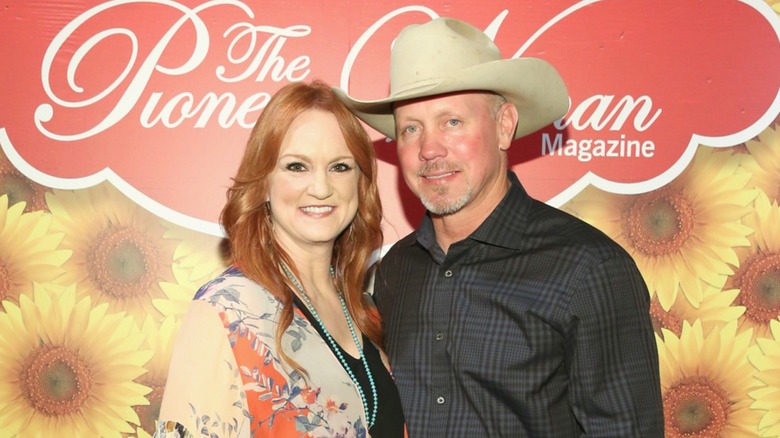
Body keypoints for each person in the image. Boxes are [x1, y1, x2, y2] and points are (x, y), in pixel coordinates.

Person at [334, 17, 665, 437]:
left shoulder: (589, 269)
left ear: (504, 125)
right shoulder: (398, 270)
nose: (429, 149)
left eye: (451, 121)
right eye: (411, 129)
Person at [155, 80, 405, 437]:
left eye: (340, 167)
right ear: (264, 182)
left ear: (361, 183)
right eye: (296, 167)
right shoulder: (227, 313)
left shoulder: (365, 310)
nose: (321, 188)